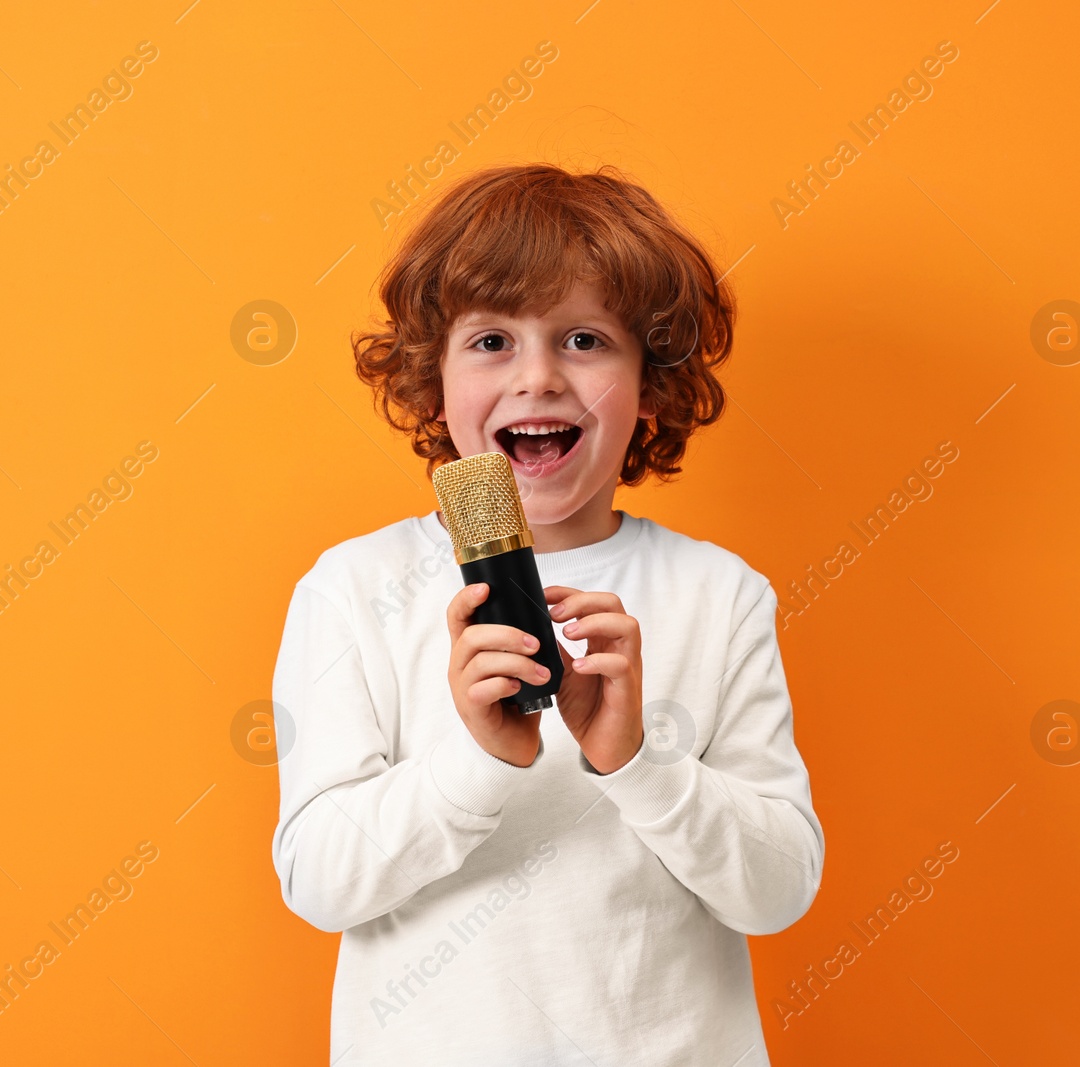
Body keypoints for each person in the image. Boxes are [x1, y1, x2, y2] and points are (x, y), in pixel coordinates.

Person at [269, 162, 823, 1065]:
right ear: (433, 380)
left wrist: (639, 761)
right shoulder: (351, 588)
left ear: (650, 382)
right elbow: (322, 882)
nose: (537, 378)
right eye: (491, 342)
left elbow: (779, 890)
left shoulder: (720, 595)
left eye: (584, 340)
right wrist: (474, 761)